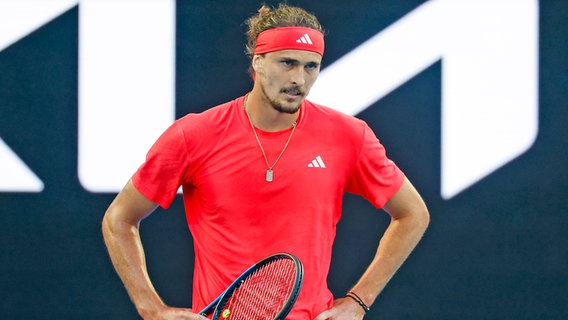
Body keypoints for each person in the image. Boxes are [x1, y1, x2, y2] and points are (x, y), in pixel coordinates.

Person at [102, 3, 429, 320]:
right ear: (257, 62)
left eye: (310, 66)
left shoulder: (349, 136)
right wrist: (153, 311)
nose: (299, 79)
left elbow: (413, 213)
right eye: (287, 63)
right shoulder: (193, 135)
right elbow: (119, 218)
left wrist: (359, 301)